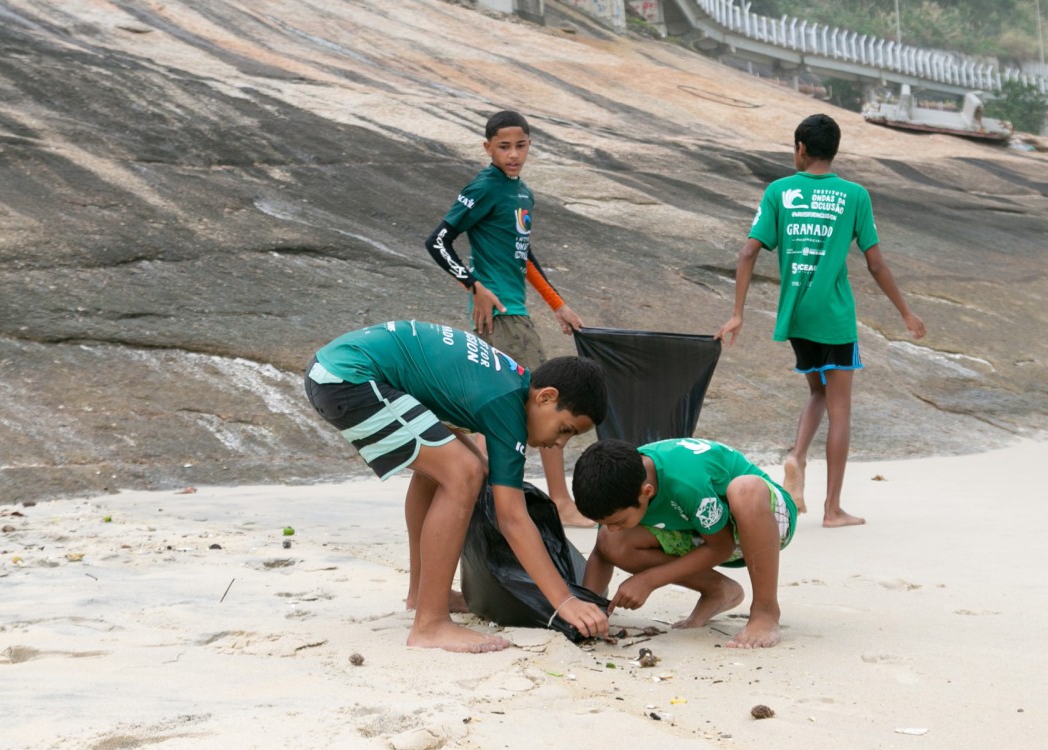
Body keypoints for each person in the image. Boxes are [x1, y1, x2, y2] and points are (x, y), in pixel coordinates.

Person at [304, 320, 610, 653]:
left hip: (340, 368)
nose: (559, 443)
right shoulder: (506, 404)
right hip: (347, 377)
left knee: (459, 467)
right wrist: (564, 601)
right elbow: (512, 518)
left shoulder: (509, 384)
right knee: (462, 473)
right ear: (546, 397)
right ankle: (430, 625)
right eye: (565, 429)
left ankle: (422, 593)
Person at [715, 113, 926, 528]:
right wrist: (905, 310)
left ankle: (796, 456)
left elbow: (746, 253)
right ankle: (832, 509)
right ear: (834, 150)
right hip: (833, 316)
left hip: (796, 315)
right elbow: (876, 263)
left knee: (818, 391)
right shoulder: (854, 195)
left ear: (800, 148)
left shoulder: (779, 191)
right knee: (840, 407)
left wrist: (737, 313)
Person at [424, 110, 593, 528]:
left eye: (520, 146)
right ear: (487, 148)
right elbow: (439, 241)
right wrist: (473, 285)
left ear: (530, 145)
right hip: (503, 318)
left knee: (501, 407)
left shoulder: (522, 194)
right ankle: (558, 503)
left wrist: (557, 304)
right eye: (503, 147)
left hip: (516, 314)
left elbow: (524, 256)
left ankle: (474, 499)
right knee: (549, 404)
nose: (513, 154)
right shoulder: (485, 187)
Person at [572, 437, 797, 649]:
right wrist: (588, 607)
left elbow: (722, 547)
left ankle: (765, 611)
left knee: (745, 490)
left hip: (766, 523)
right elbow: (602, 553)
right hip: (700, 528)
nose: (613, 527)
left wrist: (648, 580)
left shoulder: (685, 481)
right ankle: (718, 590)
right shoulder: (618, 481)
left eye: (619, 521)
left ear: (646, 492)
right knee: (611, 542)